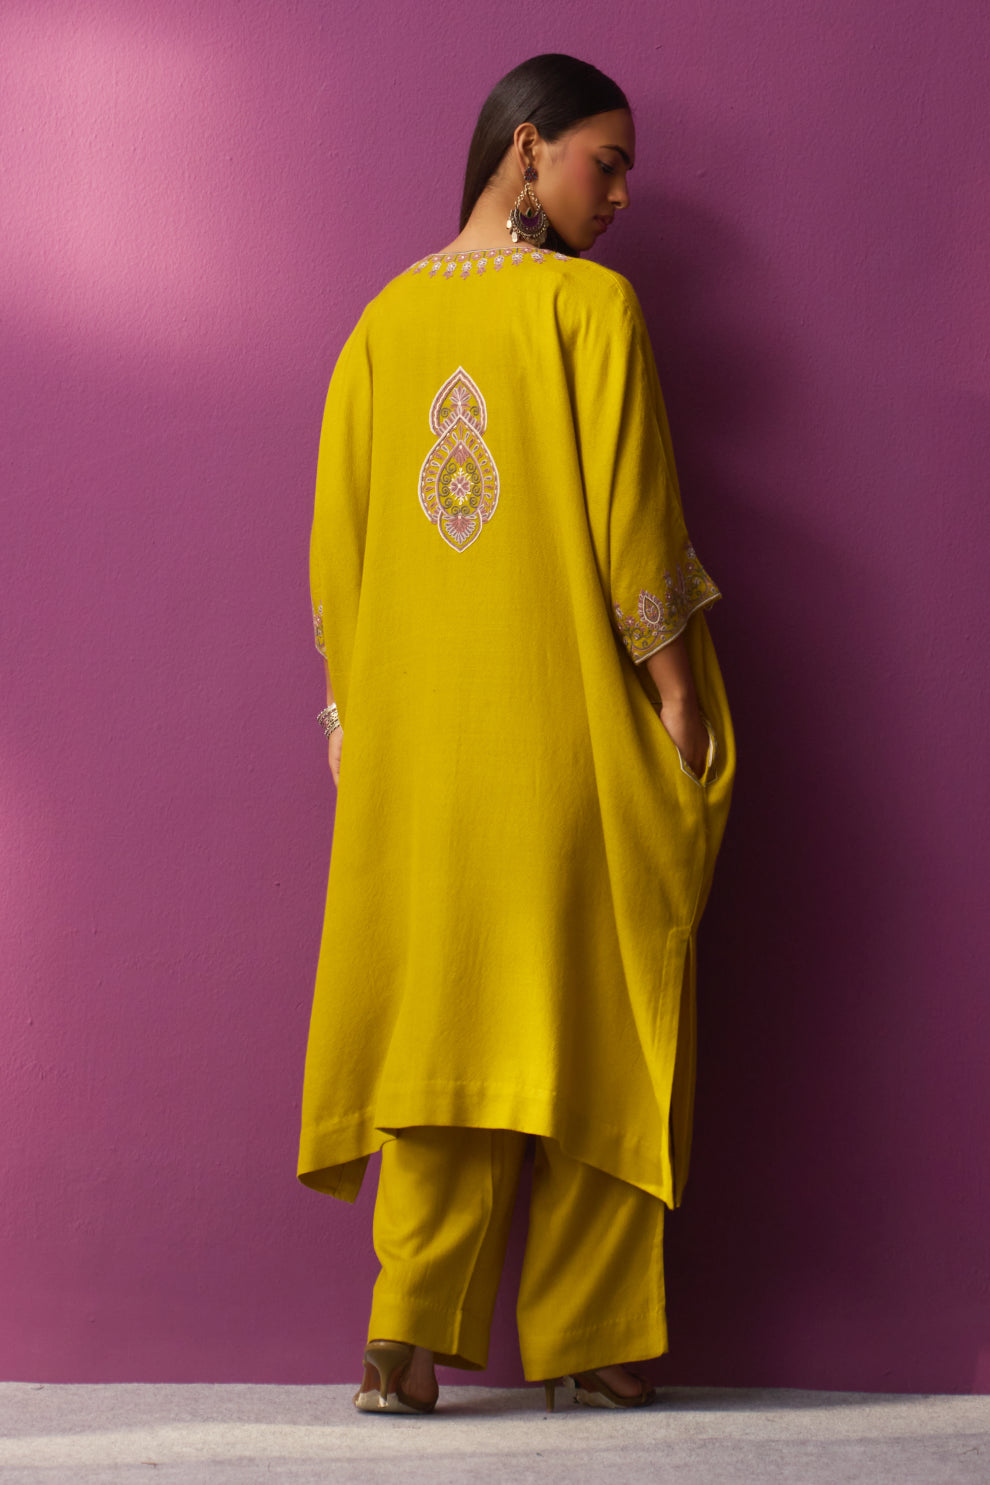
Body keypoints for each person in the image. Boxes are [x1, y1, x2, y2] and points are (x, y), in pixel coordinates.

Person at [298, 53, 736, 1415]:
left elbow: (338, 554)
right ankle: (592, 1339)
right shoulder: (589, 309)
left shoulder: (382, 323)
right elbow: (632, 527)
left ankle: (404, 1333)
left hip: (420, 755)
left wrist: (349, 718)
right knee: (596, 1011)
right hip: (564, 736)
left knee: (448, 1020)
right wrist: (676, 694)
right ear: (528, 148)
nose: (621, 192)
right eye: (607, 160)